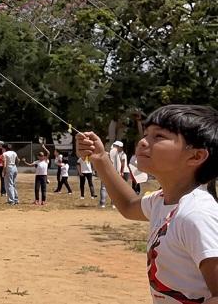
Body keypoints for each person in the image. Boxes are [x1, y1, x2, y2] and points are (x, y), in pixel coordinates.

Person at [77, 104, 218, 303]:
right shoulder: (162, 201)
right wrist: (100, 158)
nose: (143, 142)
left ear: (196, 156)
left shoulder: (196, 214)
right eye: (146, 134)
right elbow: (128, 205)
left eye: (158, 136)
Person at [100, 141, 128, 209]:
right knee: (114, 189)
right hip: (114, 173)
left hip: (106, 172)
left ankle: (103, 204)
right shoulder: (119, 154)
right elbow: (120, 165)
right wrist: (120, 173)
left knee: (104, 188)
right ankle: (113, 204)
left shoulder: (107, 153)